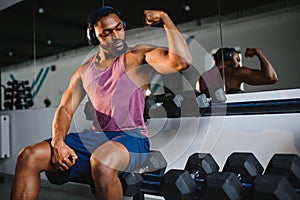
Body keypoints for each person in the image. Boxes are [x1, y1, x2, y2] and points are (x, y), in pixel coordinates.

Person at [10, 6, 191, 200]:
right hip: (95, 138)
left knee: (102, 161)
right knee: (28, 156)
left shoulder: (136, 57)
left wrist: (165, 18)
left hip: (132, 137)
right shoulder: (83, 72)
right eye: (106, 33)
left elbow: (181, 62)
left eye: (119, 28)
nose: (116, 36)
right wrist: (58, 142)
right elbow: (65, 109)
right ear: (95, 38)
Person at [196, 47, 278, 98]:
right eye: (237, 60)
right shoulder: (234, 73)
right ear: (227, 58)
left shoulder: (203, 77)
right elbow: (271, 78)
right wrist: (258, 52)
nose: (238, 64)